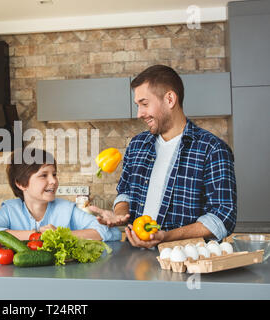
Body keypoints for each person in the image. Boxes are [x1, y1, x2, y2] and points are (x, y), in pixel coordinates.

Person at [90, 65, 237, 248]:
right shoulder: (137, 145)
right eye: (138, 106)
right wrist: (120, 214)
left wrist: (166, 237)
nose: (139, 114)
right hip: (134, 257)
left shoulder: (212, 149)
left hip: (185, 262)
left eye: (144, 104)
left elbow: (222, 217)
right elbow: (125, 192)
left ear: (169, 99)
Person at [0, 148, 121, 241]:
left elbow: (111, 233)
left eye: (54, 174)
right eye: (43, 175)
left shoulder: (66, 209)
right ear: (21, 183)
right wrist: (36, 235)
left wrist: (60, 234)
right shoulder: (10, 210)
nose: (53, 181)